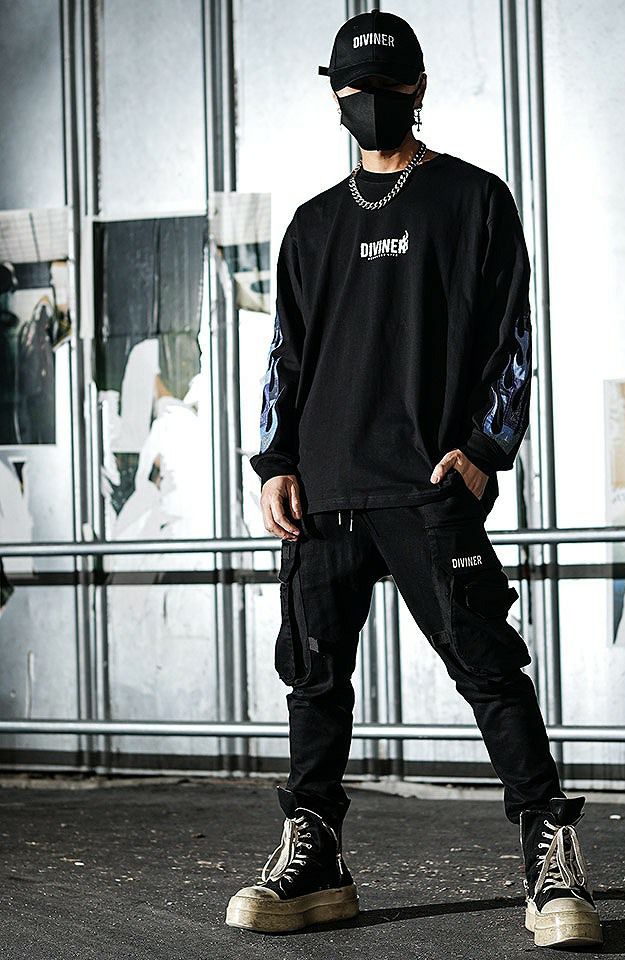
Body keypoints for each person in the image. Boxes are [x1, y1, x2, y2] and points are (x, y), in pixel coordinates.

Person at [225, 7, 602, 949]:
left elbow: (512, 341)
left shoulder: (474, 201)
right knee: (314, 682)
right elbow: (285, 358)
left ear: (419, 89)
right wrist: (274, 463)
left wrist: (483, 451)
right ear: (336, 96)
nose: (372, 102)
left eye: (388, 87)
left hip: (429, 488)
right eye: (356, 89)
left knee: (490, 671)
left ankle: (550, 856)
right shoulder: (312, 226)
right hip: (324, 496)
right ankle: (314, 856)